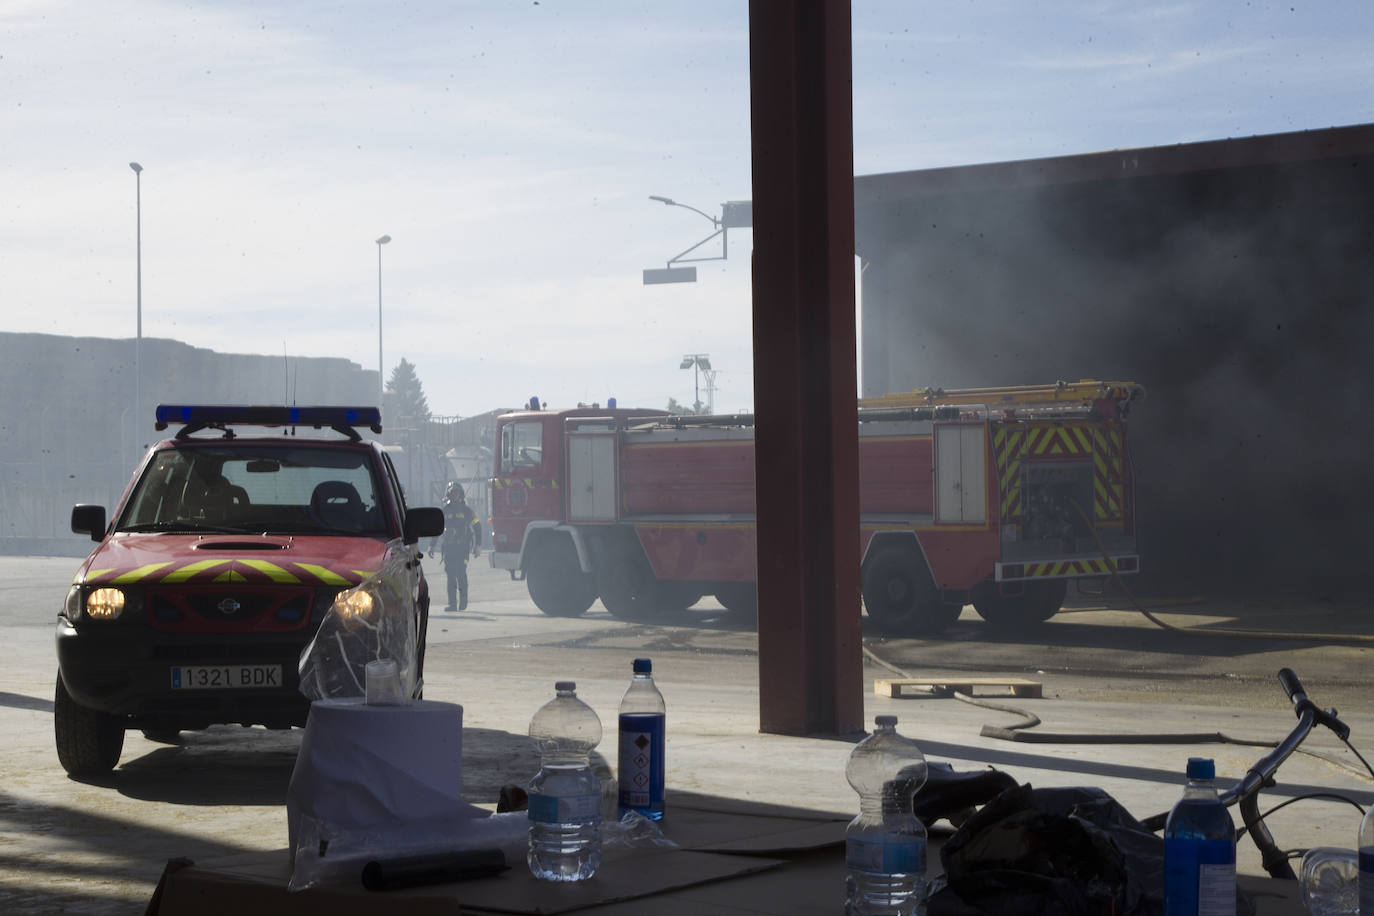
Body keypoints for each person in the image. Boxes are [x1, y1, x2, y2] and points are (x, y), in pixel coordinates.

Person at [430, 481, 481, 611]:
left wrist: (478, 545)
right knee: (451, 576)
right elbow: (436, 528)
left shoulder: (467, 511)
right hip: (449, 548)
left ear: (461, 495)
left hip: (462, 548)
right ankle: (452, 604)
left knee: (461, 573)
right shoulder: (444, 511)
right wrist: (432, 545)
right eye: (453, 494)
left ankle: (463, 602)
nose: (455, 496)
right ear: (448, 495)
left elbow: (477, 526)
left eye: (457, 494)